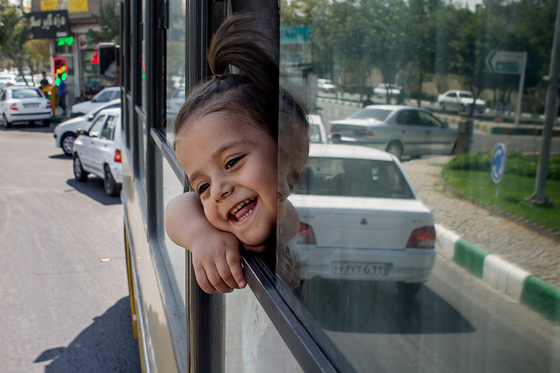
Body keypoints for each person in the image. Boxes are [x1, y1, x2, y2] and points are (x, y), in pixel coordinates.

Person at [164, 14, 309, 294]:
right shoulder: (220, 223)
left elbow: (288, 218)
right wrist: (201, 236)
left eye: (232, 162)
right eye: (202, 186)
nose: (217, 190)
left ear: (284, 157)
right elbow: (177, 209)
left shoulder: (283, 215)